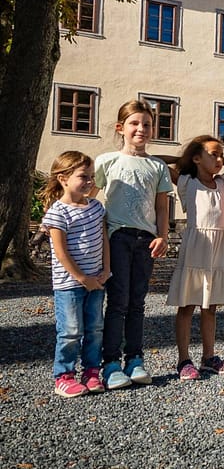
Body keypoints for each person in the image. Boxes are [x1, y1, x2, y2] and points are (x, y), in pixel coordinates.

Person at [96, 100, 173, 389]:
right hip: (117, 237)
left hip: (145, 240)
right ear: (121, 128)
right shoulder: (107, 161)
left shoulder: (157, 166)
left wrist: (162, 235)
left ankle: (135, 358)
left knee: (137, 302)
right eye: (134, 123)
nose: (141, 129)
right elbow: (91, 197)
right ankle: (111, 362)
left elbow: (162, 207)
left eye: (147, 124)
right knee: (118, 301)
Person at [163, 136, 224, 381]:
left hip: (219, 248)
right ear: (197, 158)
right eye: (214, 154)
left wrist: (213, 156)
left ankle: (209, 357)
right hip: (196, 247)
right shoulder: (187, 182)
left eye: (221, 155)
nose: (220, 159)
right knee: (187, 304)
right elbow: (158, 161)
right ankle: (183, 359)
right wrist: (185, 160)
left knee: (210, 307)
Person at [41, 152, 110, 397]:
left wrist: (106, 270)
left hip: (96, 280)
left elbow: (103, 240)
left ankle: (91, 371)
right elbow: (61, 253)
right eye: (83, 176)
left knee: (94, 328)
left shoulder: (96, 208)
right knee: (71, 330)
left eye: (91, 176)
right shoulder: (57, 213)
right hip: (70, 284)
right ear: (63, 178)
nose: (90, 181)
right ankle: (64, 375)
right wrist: (82, 278)